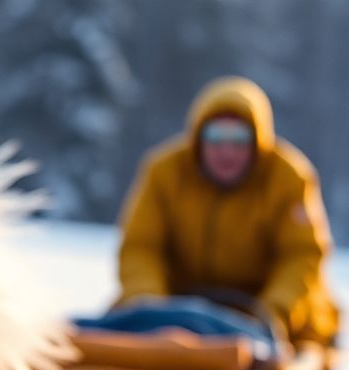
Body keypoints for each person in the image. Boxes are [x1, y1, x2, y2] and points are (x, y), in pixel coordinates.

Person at [116, 76, 339, 345]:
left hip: (264, 317)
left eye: (239, 139)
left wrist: (272, 314)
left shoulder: (289, 177)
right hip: (174, 307)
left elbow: (301, 256)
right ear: (198, 138)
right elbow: (141, 247)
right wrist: (150, 305)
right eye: (216, 137)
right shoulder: (164, 171)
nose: (226, 151)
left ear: (258, 141)